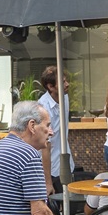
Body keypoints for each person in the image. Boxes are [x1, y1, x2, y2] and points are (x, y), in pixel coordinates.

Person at [38, 66, 75, 194]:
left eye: (66, 80)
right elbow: (45, 146)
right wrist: (47, 182)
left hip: (67, 164)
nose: (67, 84)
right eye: (63, 82)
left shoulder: (64, 97)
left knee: (70, 203)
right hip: (51, 169)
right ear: (50, 87)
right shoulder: (43, 108)